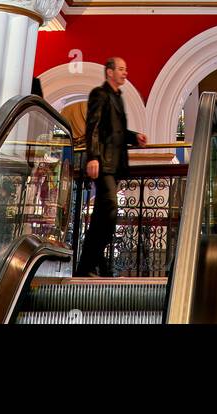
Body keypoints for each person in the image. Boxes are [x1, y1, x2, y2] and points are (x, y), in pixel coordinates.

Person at [77, 57, 147, 277]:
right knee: (108, 212)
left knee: (103, 217)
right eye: (121, 69)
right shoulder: (100, 94)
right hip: (103, 163)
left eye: (126, 69)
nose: (125, 73)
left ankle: (88, 267)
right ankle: (90, 265)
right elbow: (93, 127)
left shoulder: (118, 98)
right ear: (109, 72)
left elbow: (117, 131)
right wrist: (93, 157)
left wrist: (135, 137)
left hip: (114, 165)